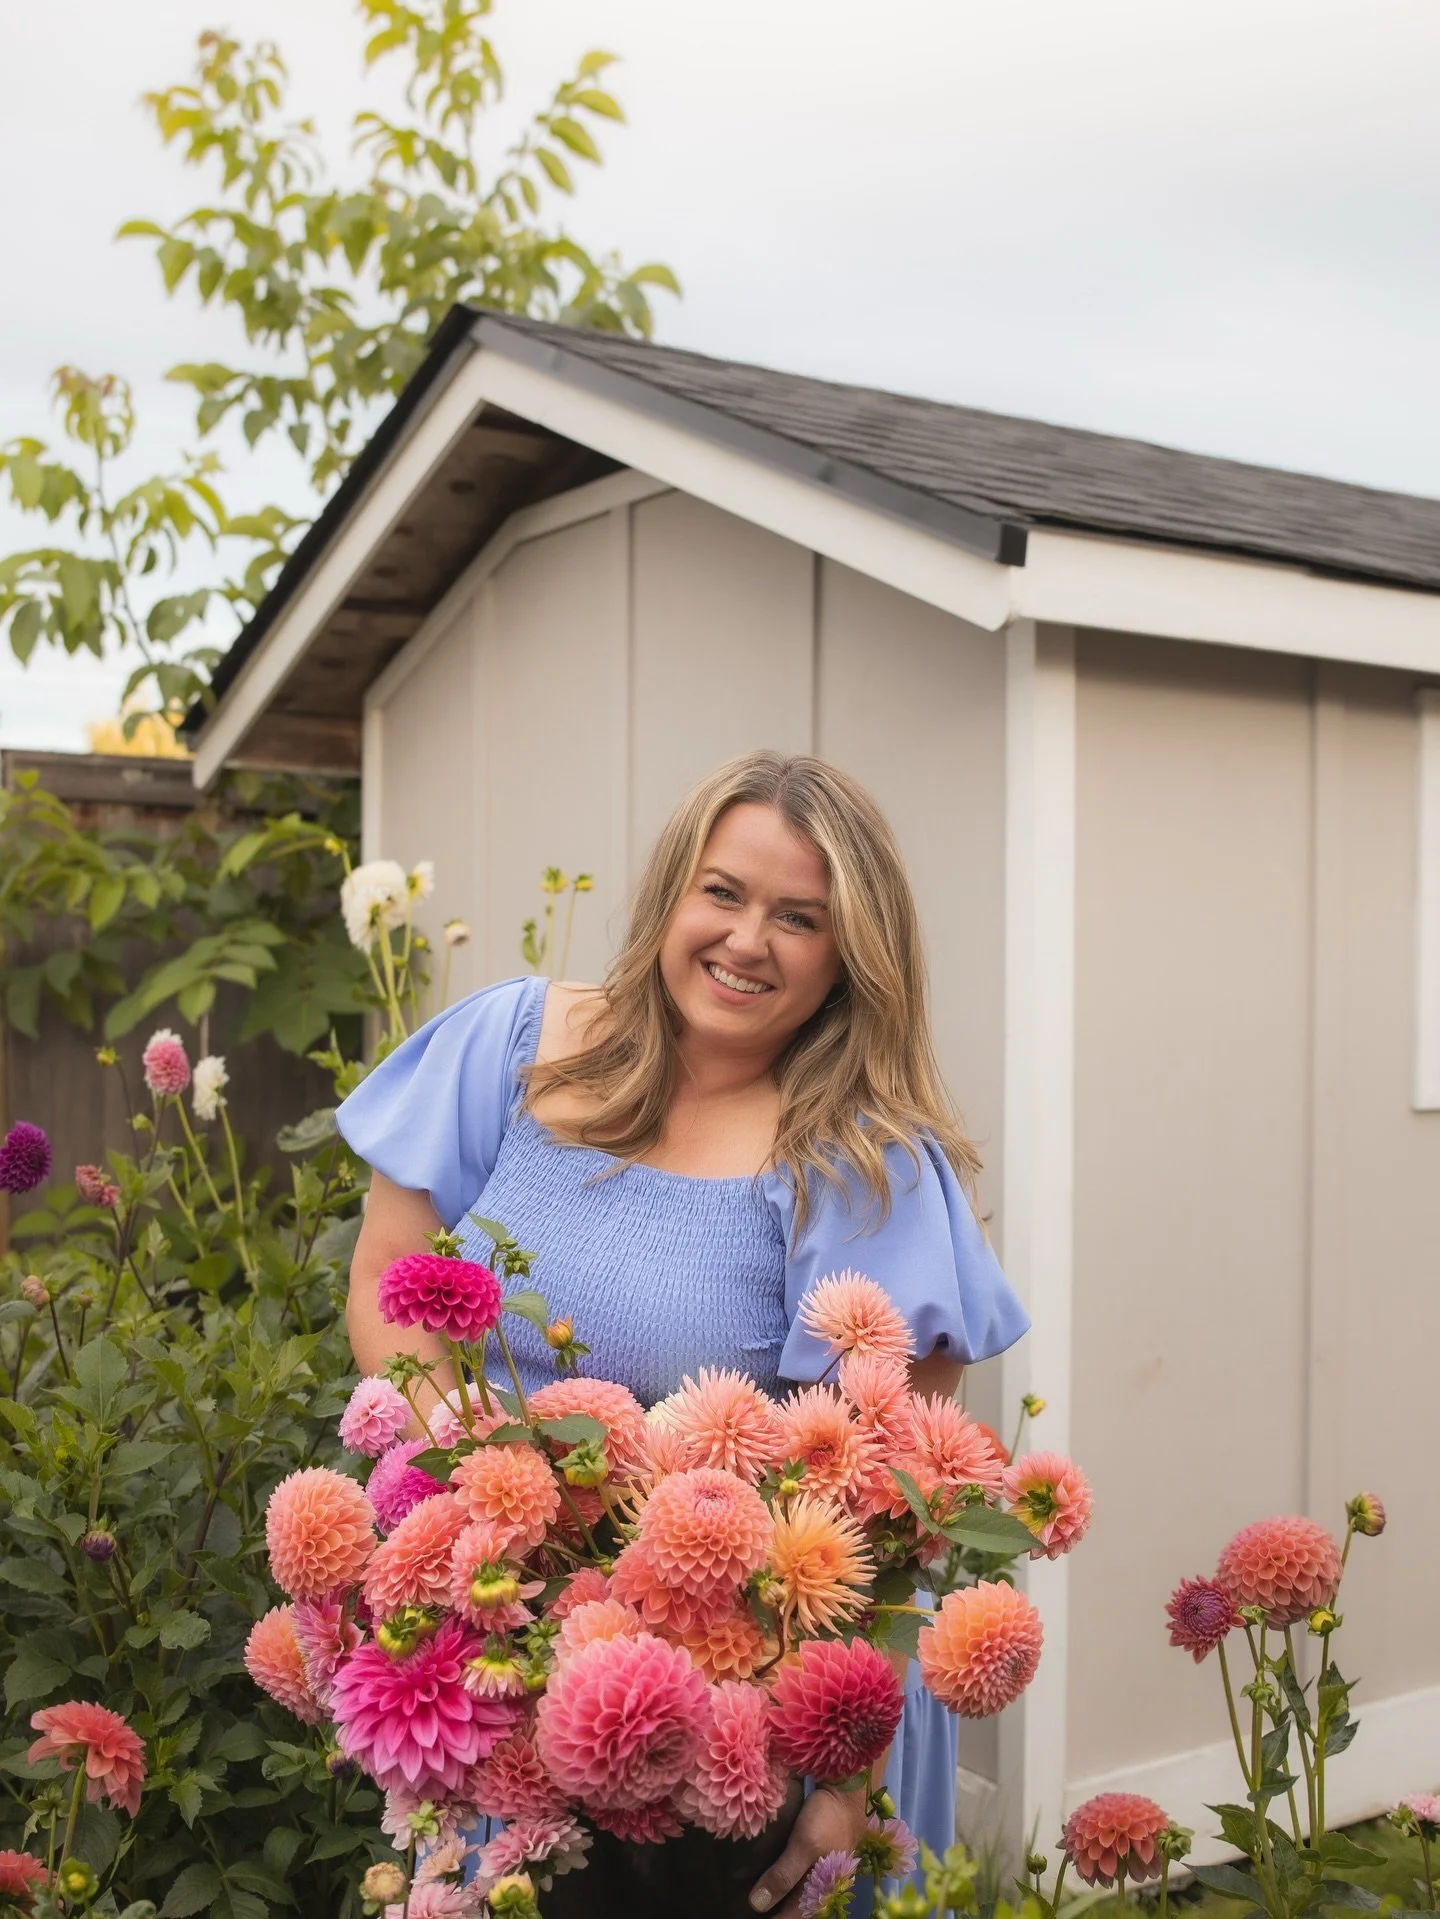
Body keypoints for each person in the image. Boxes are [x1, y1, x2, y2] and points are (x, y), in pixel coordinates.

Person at [338, 749, 1030, 1917]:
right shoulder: (507, 1047)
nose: (747, 939)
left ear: (849, 956)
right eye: (724, 891)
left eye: (798, 917)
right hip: (507, 1662)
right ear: (672, 893)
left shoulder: (861, 1166)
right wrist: (474, 1481)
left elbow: (891, 1514)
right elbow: (383, 1285)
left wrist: (842, 1778)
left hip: (750, 1724)